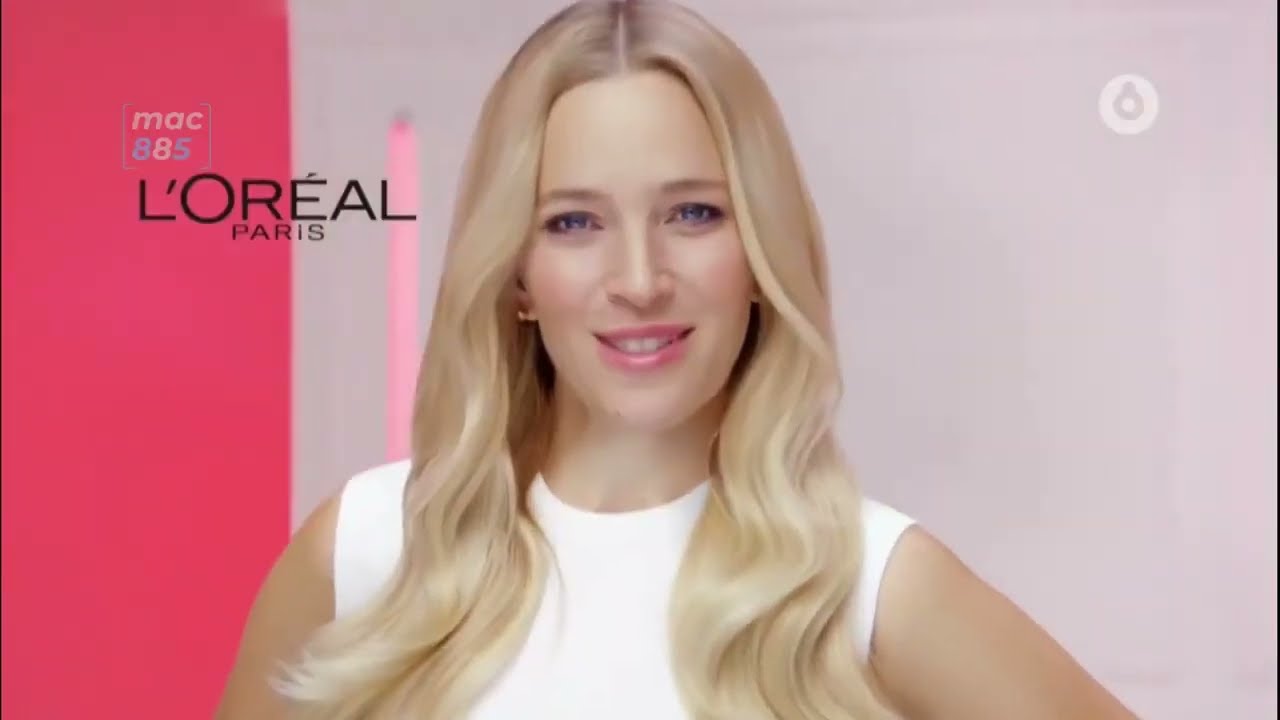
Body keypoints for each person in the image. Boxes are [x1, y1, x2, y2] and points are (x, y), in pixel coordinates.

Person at [216, 1, 1140, 718]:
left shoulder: (867, 584)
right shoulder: (365, 553)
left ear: (760, 252)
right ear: (518, 275)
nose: (639, 279)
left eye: (692, 214)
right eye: (574, 222)